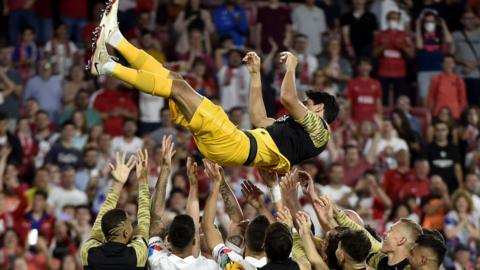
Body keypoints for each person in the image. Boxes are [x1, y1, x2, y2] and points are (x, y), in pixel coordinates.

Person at [88, 2, 338, 174]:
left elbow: (287, 96)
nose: (304, 105)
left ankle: (107, 66)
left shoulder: (321, 129)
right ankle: (114, 39)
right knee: (176, 79)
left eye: (309, 103)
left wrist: (292, 66)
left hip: (236, 143)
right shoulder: (296, 135)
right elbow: (260, 119)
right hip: (235, 144)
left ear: (320, 108)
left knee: (178, 89)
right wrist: (254, 76)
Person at [148, 136, 218, 269]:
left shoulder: (157, 261)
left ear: (168, 240)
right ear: (194, 241)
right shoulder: (210, 267)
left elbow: (156, 220)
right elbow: (195, 228)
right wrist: (194, 185)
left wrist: (164, 169)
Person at [80, 150, 150, 269]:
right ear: (125, 232)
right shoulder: (136, 255)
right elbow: (144, 222)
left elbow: (99, 223)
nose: (132, 225)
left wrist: (118, 183)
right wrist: (143, 180)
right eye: (129, 223)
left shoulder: (89, 253)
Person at [427, 55, 467, 119]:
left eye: (451, 62)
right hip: (439, 113)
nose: (448, 65)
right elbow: (431, 98)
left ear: (454, 64)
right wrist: (431, 113)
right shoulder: (436, 79)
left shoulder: (459, 79)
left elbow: (463, 99)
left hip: (455, 114)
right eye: (446, 62)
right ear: (442, 64)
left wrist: (460, 112)